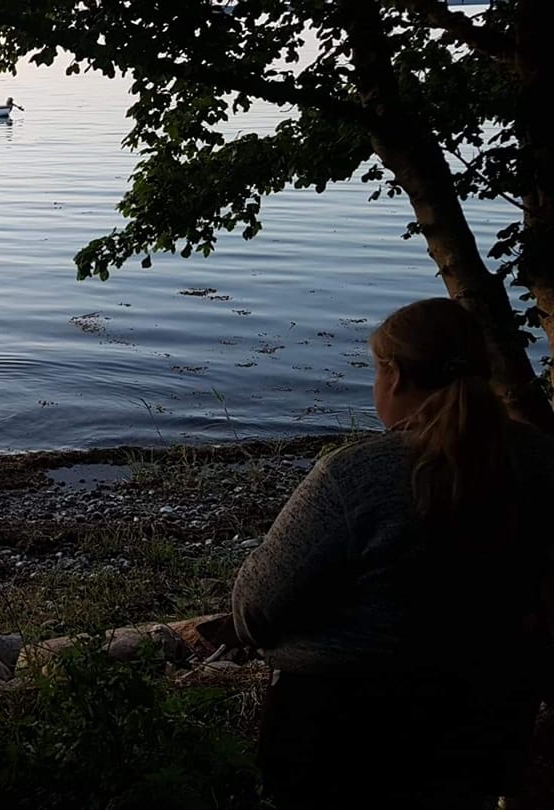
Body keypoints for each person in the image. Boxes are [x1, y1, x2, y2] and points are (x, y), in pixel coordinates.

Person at [232, 297, 554, 810]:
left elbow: (256, 611)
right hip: (485, 730)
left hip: (341, 734)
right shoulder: (540, 460)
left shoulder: (356, 475)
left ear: (396, 376)